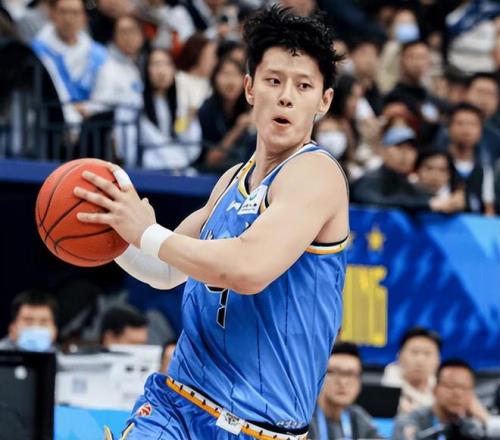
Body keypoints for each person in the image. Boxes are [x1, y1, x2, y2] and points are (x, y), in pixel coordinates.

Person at [74, 6, 348, 440]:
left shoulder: (317, 174)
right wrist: (112, 230)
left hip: (258, 428)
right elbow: (165, 270)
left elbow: (247, 268)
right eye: (273, 81)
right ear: (250, 88)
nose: (286, 97)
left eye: (303, 86)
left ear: (324, 101)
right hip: (177, 404)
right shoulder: (230, 181)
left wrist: (146, 232)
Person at [31, 0, 107, 127]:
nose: (68, 19)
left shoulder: (99, 54)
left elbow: (106, 94)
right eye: (63, 12)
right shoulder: (37, 51)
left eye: (75, 12)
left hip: (91, 128)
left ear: (84, 17)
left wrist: (88, 108)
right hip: (51, 126)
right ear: (52, 14)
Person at [392, 359, 490, 440]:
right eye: (451, 386)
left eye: (464, 388)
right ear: (434, 390)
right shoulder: (410, 422)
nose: (457, 393)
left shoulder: (472, 427)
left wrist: (486, 419)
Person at [309, 342, 381, 439]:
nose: (342, 382)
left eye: (350, 374)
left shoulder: (357, 417)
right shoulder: (304, 418)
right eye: (334, 372)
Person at [198, 56, 254, 173]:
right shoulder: (206, 110)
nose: (230, 81)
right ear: (215, 78)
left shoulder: (252, 107)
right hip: (214, 175)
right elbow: (210, 160)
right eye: (225, 74)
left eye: (236, 75)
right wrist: (238, 129)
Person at [382, 327, 442, 415]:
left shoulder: (442, 389)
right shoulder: (386, 388)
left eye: (427, 353)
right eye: (414, 352)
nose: (420, 360)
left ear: (438, 360)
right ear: (399, 356)